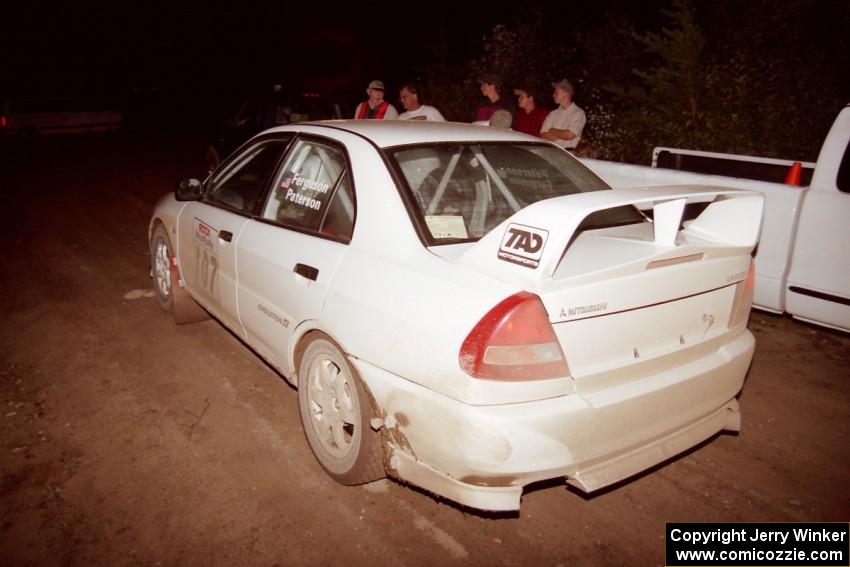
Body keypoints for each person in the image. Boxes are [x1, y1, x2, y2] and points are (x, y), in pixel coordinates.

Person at [540, 78, 586, 150]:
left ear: (566, 93)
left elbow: (569, 135)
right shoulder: (552, 114)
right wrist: (561, 134)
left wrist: (552, 130)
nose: (553, 95)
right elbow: (543, 135)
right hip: (550, 152)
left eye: (556, 92)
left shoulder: (578, 113)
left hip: (568, 154)